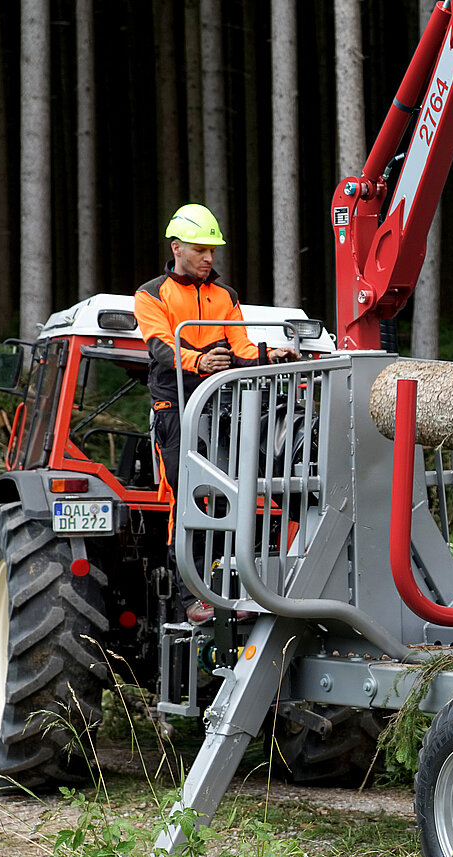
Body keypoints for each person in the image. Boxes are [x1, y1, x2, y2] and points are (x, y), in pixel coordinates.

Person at [133, 203, 298, 621]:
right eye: (200, 250)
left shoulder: (226, 296)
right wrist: (197, 361)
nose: (209, 258)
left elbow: (241, 350)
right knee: (187, 493)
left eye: (212, 251)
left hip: (222, 406)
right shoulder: (150, 294)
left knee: (234, 494)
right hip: (175, 406)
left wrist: (269, 356)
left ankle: (233, 589)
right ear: (177, 248)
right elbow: (159, 345)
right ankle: (191, 598)